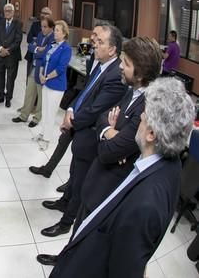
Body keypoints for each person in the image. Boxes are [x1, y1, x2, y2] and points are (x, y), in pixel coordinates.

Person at [47, 77, 194, 277]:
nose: (140, 117)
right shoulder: (169, 164)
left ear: (151, 133)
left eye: (143, 116)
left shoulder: (145, 206)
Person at [36, 36, 163, 268]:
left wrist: (108, 134)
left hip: (110, 182)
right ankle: (66, 259)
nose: (121, 67)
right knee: (81, 226)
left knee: (89, 234)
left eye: (126, 63)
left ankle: (70, 264)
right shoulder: (131, 91)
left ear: (141, 73)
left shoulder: (146, 105)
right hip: (101, 175)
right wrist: (109, 130)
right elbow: (106, 116)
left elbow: (110, 151)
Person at [36, 23, 127, 239]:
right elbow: (85, 91)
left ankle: (66, 222)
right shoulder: (100, 64)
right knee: (73, 172)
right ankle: (63, 202)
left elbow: (97, 109)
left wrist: (72, 122)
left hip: (89, 134)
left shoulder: (115, 75)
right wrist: (69, 109)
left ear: (112, 49)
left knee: (80, 183)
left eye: (100, 41)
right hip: (78, 126)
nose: (94, 43)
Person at [33, 20, 71, 150]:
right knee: (45, 110)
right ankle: (43, 133)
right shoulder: (52, 45)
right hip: (46, 82)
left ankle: (47, 139)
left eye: (57, 30)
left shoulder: (66, 49)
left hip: (57, 85)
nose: (54, 32)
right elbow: (44, 60)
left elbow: (61, 68)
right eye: (55, 30)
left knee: (51, 113)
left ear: (64, 33)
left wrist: (47, 77)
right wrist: (41, 74)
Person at [12, 16, 55, 128]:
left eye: (45, 27)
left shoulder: (53, 39)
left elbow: (46, 54)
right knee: (29, 92)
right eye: (42, 26)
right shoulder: (40, 34)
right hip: (34, 67)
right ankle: (23, 115)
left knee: (40, 96)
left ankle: (36, 118)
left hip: (43, 70)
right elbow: (30, 46)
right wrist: (37, 49)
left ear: (51, 27)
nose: (43, 29)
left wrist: (38, 50)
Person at [0, 3, 22, 107]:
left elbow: (18, 40)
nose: (7, 12)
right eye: (6, 11)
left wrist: (7, 50)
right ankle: (0, 97)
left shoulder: (17, 23)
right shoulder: (0, 23)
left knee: (10, 78)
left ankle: (8, 98)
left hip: (12, 56)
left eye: (9, 11)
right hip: (0, 54)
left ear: (13, 12)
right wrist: (0, 48)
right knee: (0, 77)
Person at [24, 7, 52, 79]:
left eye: (46, 13)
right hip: (31, 57)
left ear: (50, 15)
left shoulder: (52, 27)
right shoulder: (35, 24)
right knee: (29, 79)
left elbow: (49, 45)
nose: (43, 15)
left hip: (43, 61)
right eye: (42, 13)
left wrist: (36, 41)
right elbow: (29, 39)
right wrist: (38, 47)